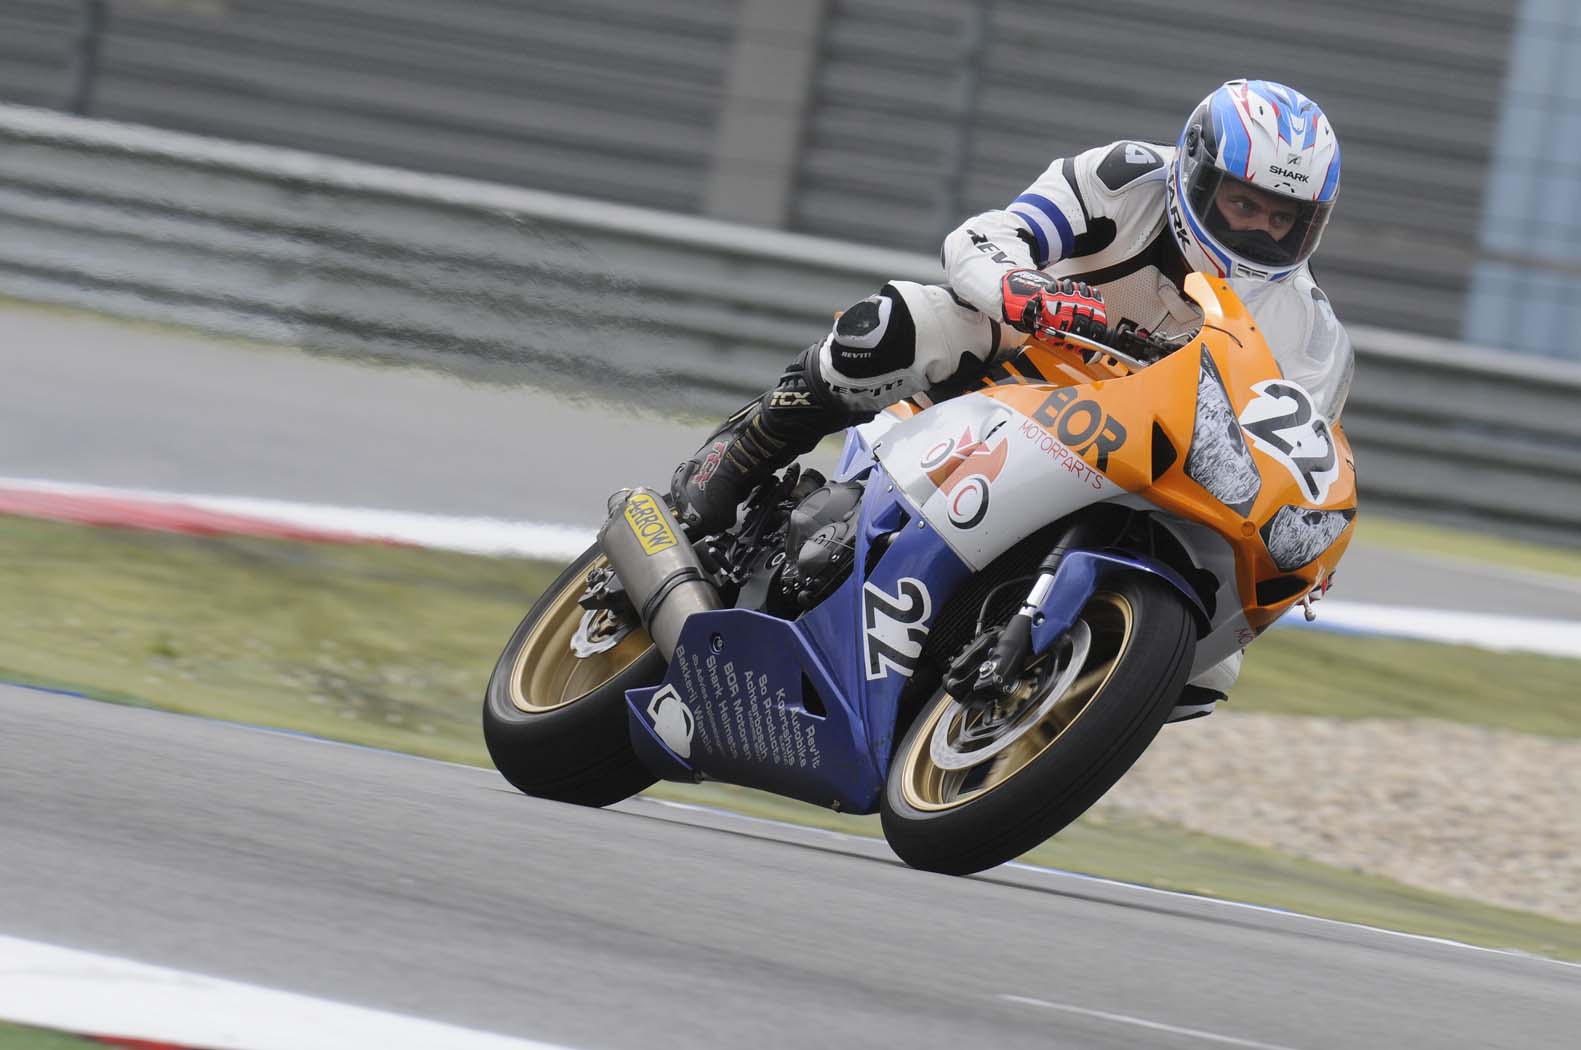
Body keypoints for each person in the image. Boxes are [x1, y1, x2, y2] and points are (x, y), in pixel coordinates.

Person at [670, 79, 1346, 718]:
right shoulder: (1122, 179)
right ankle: (731, 463)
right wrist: (1023, 288)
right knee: (907, 323)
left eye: (1282, 218)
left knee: (1208, 669)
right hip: (1024, 360)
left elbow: (1290, 453)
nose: (1259, 231)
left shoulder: (1310, 336)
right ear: (1194, 174)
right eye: (1242, 204)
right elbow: (982, 238)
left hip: (1146, 451)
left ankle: (1040, 703)